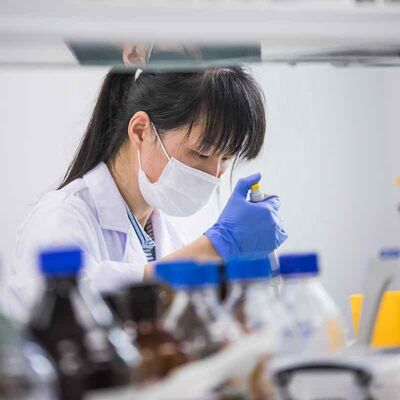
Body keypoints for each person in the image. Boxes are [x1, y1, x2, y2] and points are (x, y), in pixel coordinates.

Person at [8, 66, 287, 321]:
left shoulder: (168, 233)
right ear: (141, 131)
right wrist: (216, 247)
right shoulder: (60, 217)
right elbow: (68, 316)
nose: (214, 173)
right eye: (201, 153)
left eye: (226, 158)